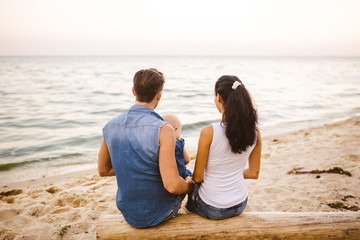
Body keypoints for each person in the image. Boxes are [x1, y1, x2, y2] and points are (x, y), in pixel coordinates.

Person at [98, 68, 194, 228]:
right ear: (159, 95)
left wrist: (137, 165)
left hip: (129, 213)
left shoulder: (110, 126)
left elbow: (103, 170)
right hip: (161, 212)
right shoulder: (163, 129)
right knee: (185, 177)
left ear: (133, 91)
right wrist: (189, 185)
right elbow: (172, 185)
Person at [186, 75, 261, 220]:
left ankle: (188, 209)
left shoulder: (209, 132)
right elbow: (253, 173)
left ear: (219, 97)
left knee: (188, 177)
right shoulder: (255, 133)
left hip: (212, 207)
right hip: (239, 203)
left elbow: (198, 177)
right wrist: (231, 172)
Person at [162, 114, 192, 178]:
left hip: (165, 176)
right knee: (190, 175)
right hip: (180, 173)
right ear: (175, 129)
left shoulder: (160, 144)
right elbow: (186, 160)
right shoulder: (179, 142)